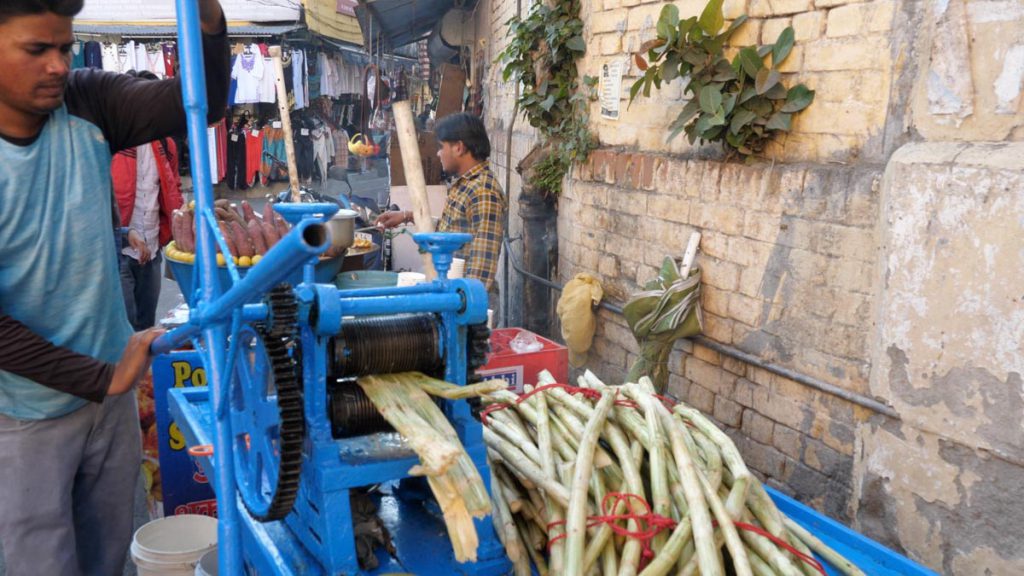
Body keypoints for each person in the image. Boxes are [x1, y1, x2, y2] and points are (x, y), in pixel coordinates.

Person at [0, 1, 230, 574]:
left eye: (64, 47)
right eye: (36, 50)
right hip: (26, 414)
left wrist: (206, 22)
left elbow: (200, 104)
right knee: (40, 563)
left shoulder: (85, 101)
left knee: (111, 558)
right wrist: (103, 376)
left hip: (110, 404)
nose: (56, 65)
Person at [377, 112, 507, 294]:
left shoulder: (483, 191)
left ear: (459, 148)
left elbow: (483, 264)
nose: (438, 153)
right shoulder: (466, 184)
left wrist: (462, 306)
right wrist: (407, 216)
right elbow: (454, 230)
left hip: (464, 303)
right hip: (451, 292)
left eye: (441, 147)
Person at [115, 70, 184, 331]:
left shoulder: (166, 145)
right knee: (126, 329)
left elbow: (173, 186)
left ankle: (144, 372)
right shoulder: (113, 141)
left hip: (153, 247)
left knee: (146, 326)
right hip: (120, 251)